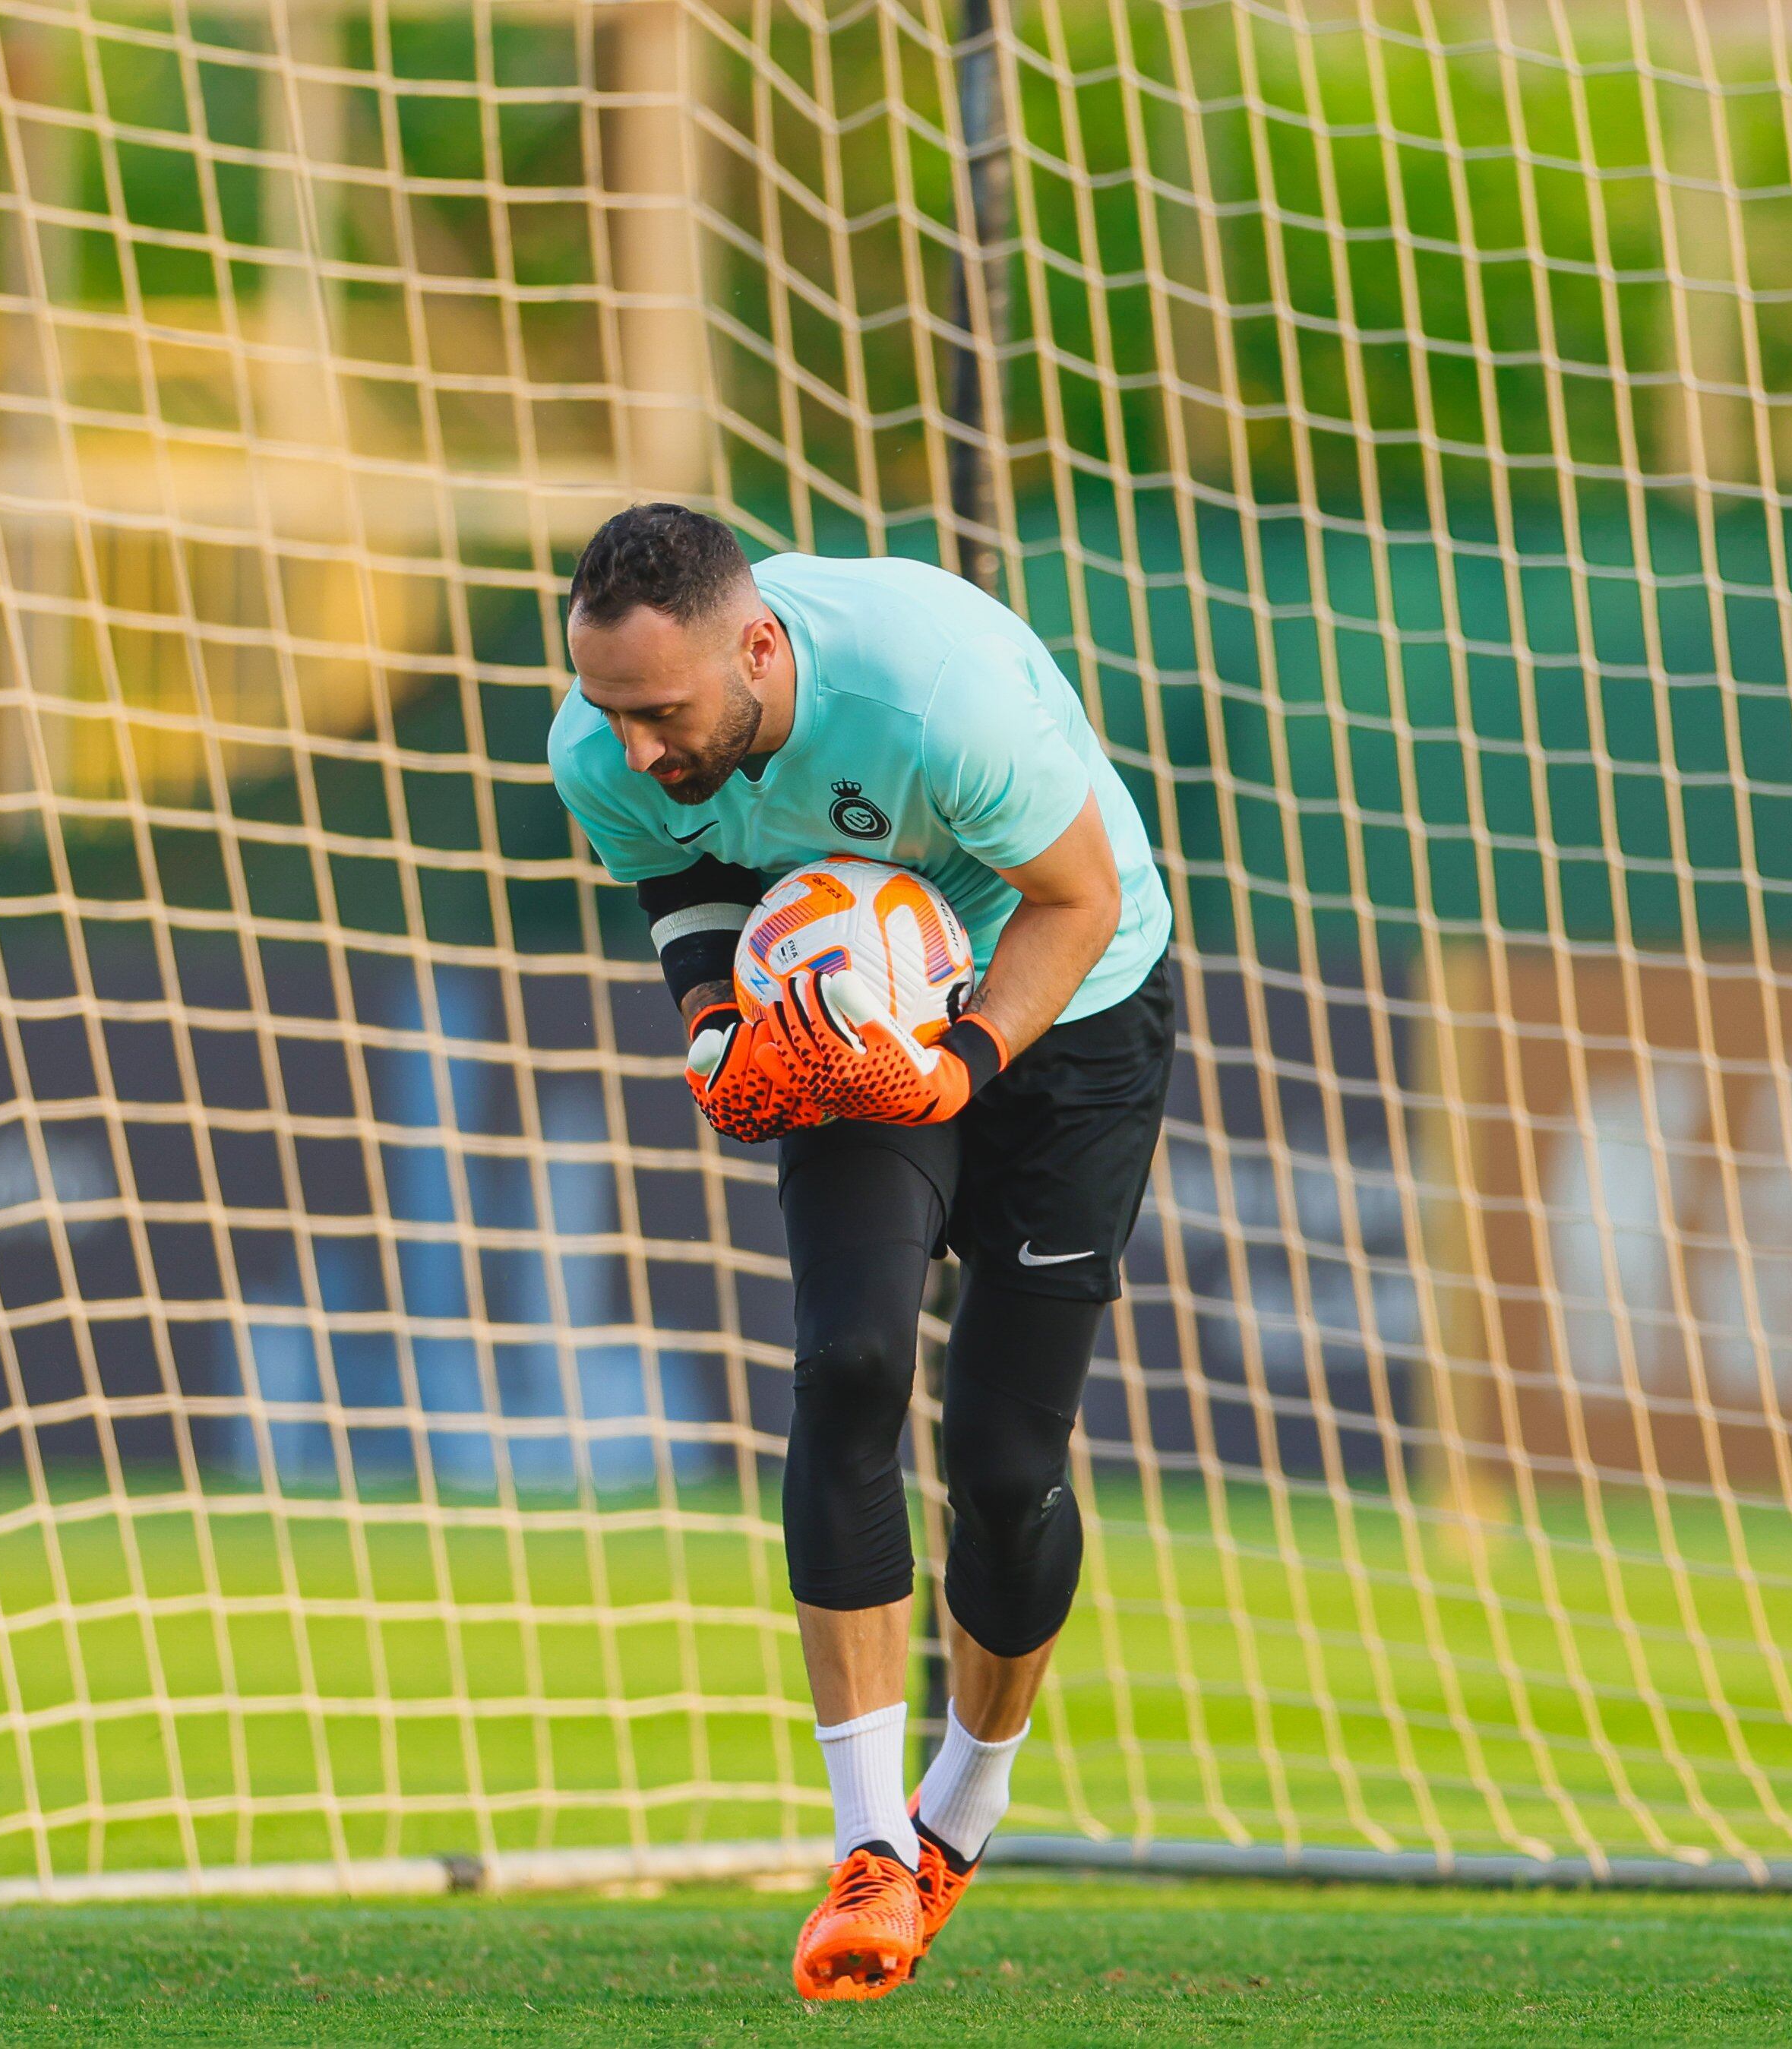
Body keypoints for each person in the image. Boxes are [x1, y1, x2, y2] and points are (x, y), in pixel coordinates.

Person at [546, 503, 1177, 1999]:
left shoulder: (927, 685)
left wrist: (953, 1069)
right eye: (609, 707)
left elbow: (1074, 896)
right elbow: (686, 889)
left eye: (663, 711)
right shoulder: (598, 746)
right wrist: (716, 1033)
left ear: (756, 648)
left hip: (1065, 999)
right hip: (843, 1020)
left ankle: (963, 1802)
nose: (632, 745)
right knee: (844, 1366)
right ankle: (866, 1849)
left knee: (1005, 1464)